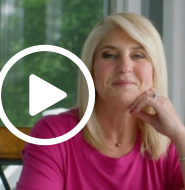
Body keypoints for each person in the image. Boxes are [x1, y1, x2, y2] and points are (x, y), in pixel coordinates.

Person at [16, 12, 185, 190]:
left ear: (155, 69)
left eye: (138, 55)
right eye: (110, 55)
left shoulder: (172, 144)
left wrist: (180, 135)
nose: (124, 67)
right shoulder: (53, 134)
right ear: (91, 69)